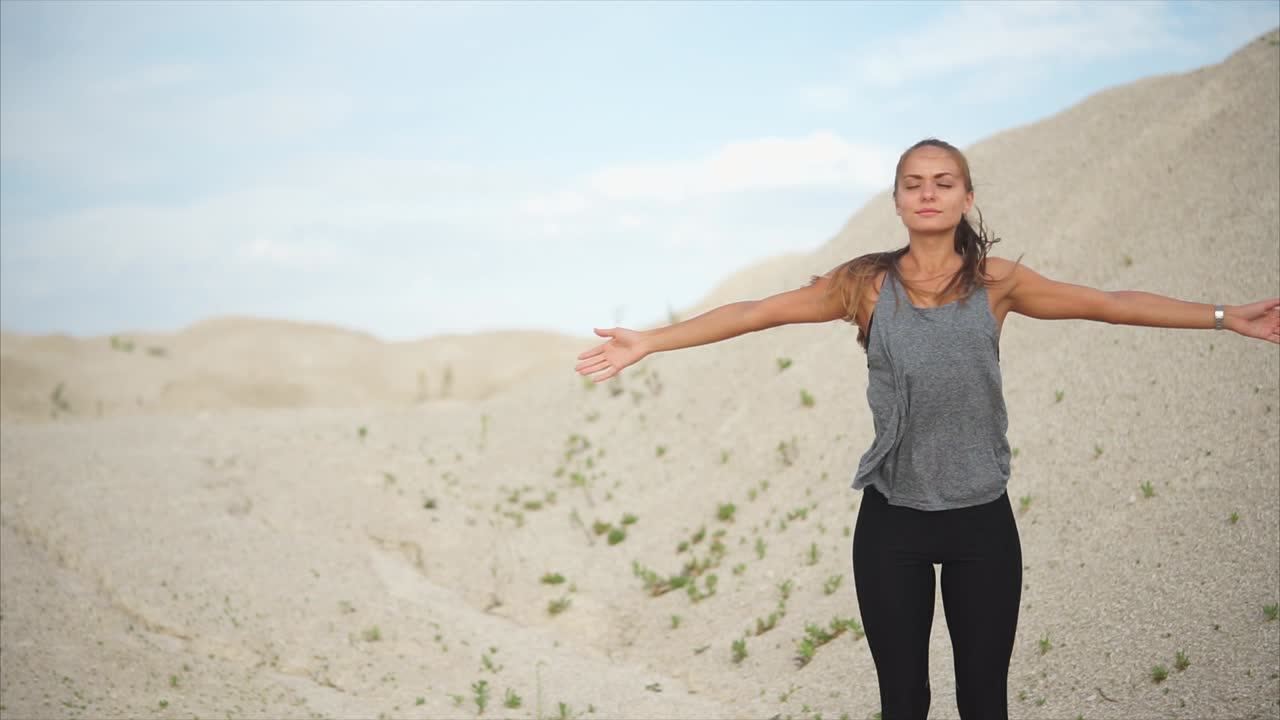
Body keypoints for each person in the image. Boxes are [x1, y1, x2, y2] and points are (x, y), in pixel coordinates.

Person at [573, 138, 1280, 720]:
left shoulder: (998, 283)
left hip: (981, 521)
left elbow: (1110, 302)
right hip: (892, 522)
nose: (929, 193)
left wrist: (1225, 316)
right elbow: (760, 310)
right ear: (899, 201)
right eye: (914, 184)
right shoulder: (865, 285)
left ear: (967, 198)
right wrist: (651, 341)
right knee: (903, 702)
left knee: (984, 703)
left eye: (945, 182)